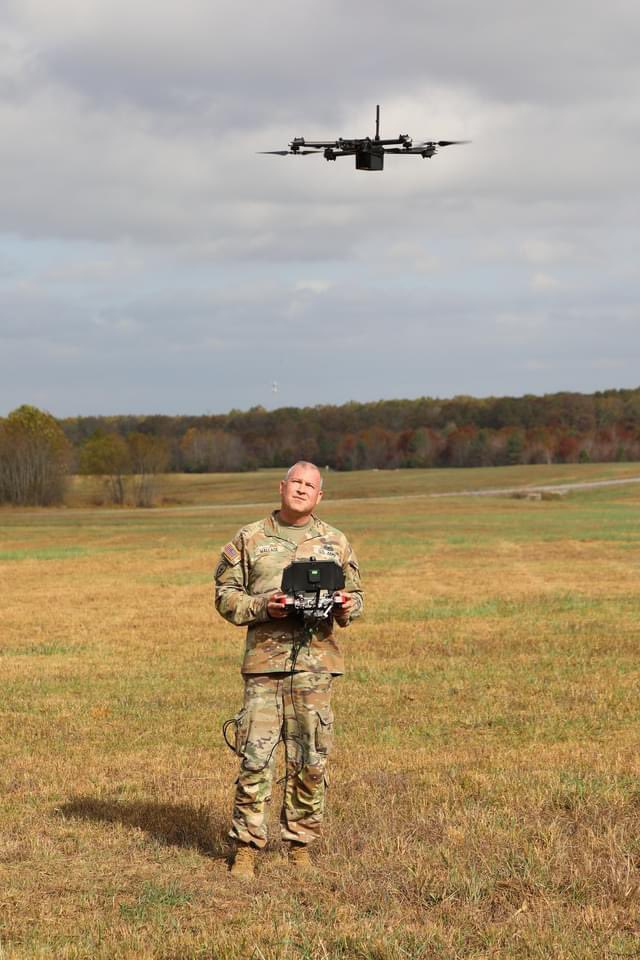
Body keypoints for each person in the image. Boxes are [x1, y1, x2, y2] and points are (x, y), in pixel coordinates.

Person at [214, 461, 364, 879]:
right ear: (282, 487)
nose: (301, 489)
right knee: (255, 757)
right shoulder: (250, 538)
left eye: (309, 485)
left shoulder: (335, 541)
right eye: (295, 482)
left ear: (320, 496)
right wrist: (266, 606)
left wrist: (346, 605)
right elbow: (225, 595)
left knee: (311, 759)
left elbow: (358, 596)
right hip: (265, 666)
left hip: (316, 668)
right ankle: (246, 848)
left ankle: (300, 846)